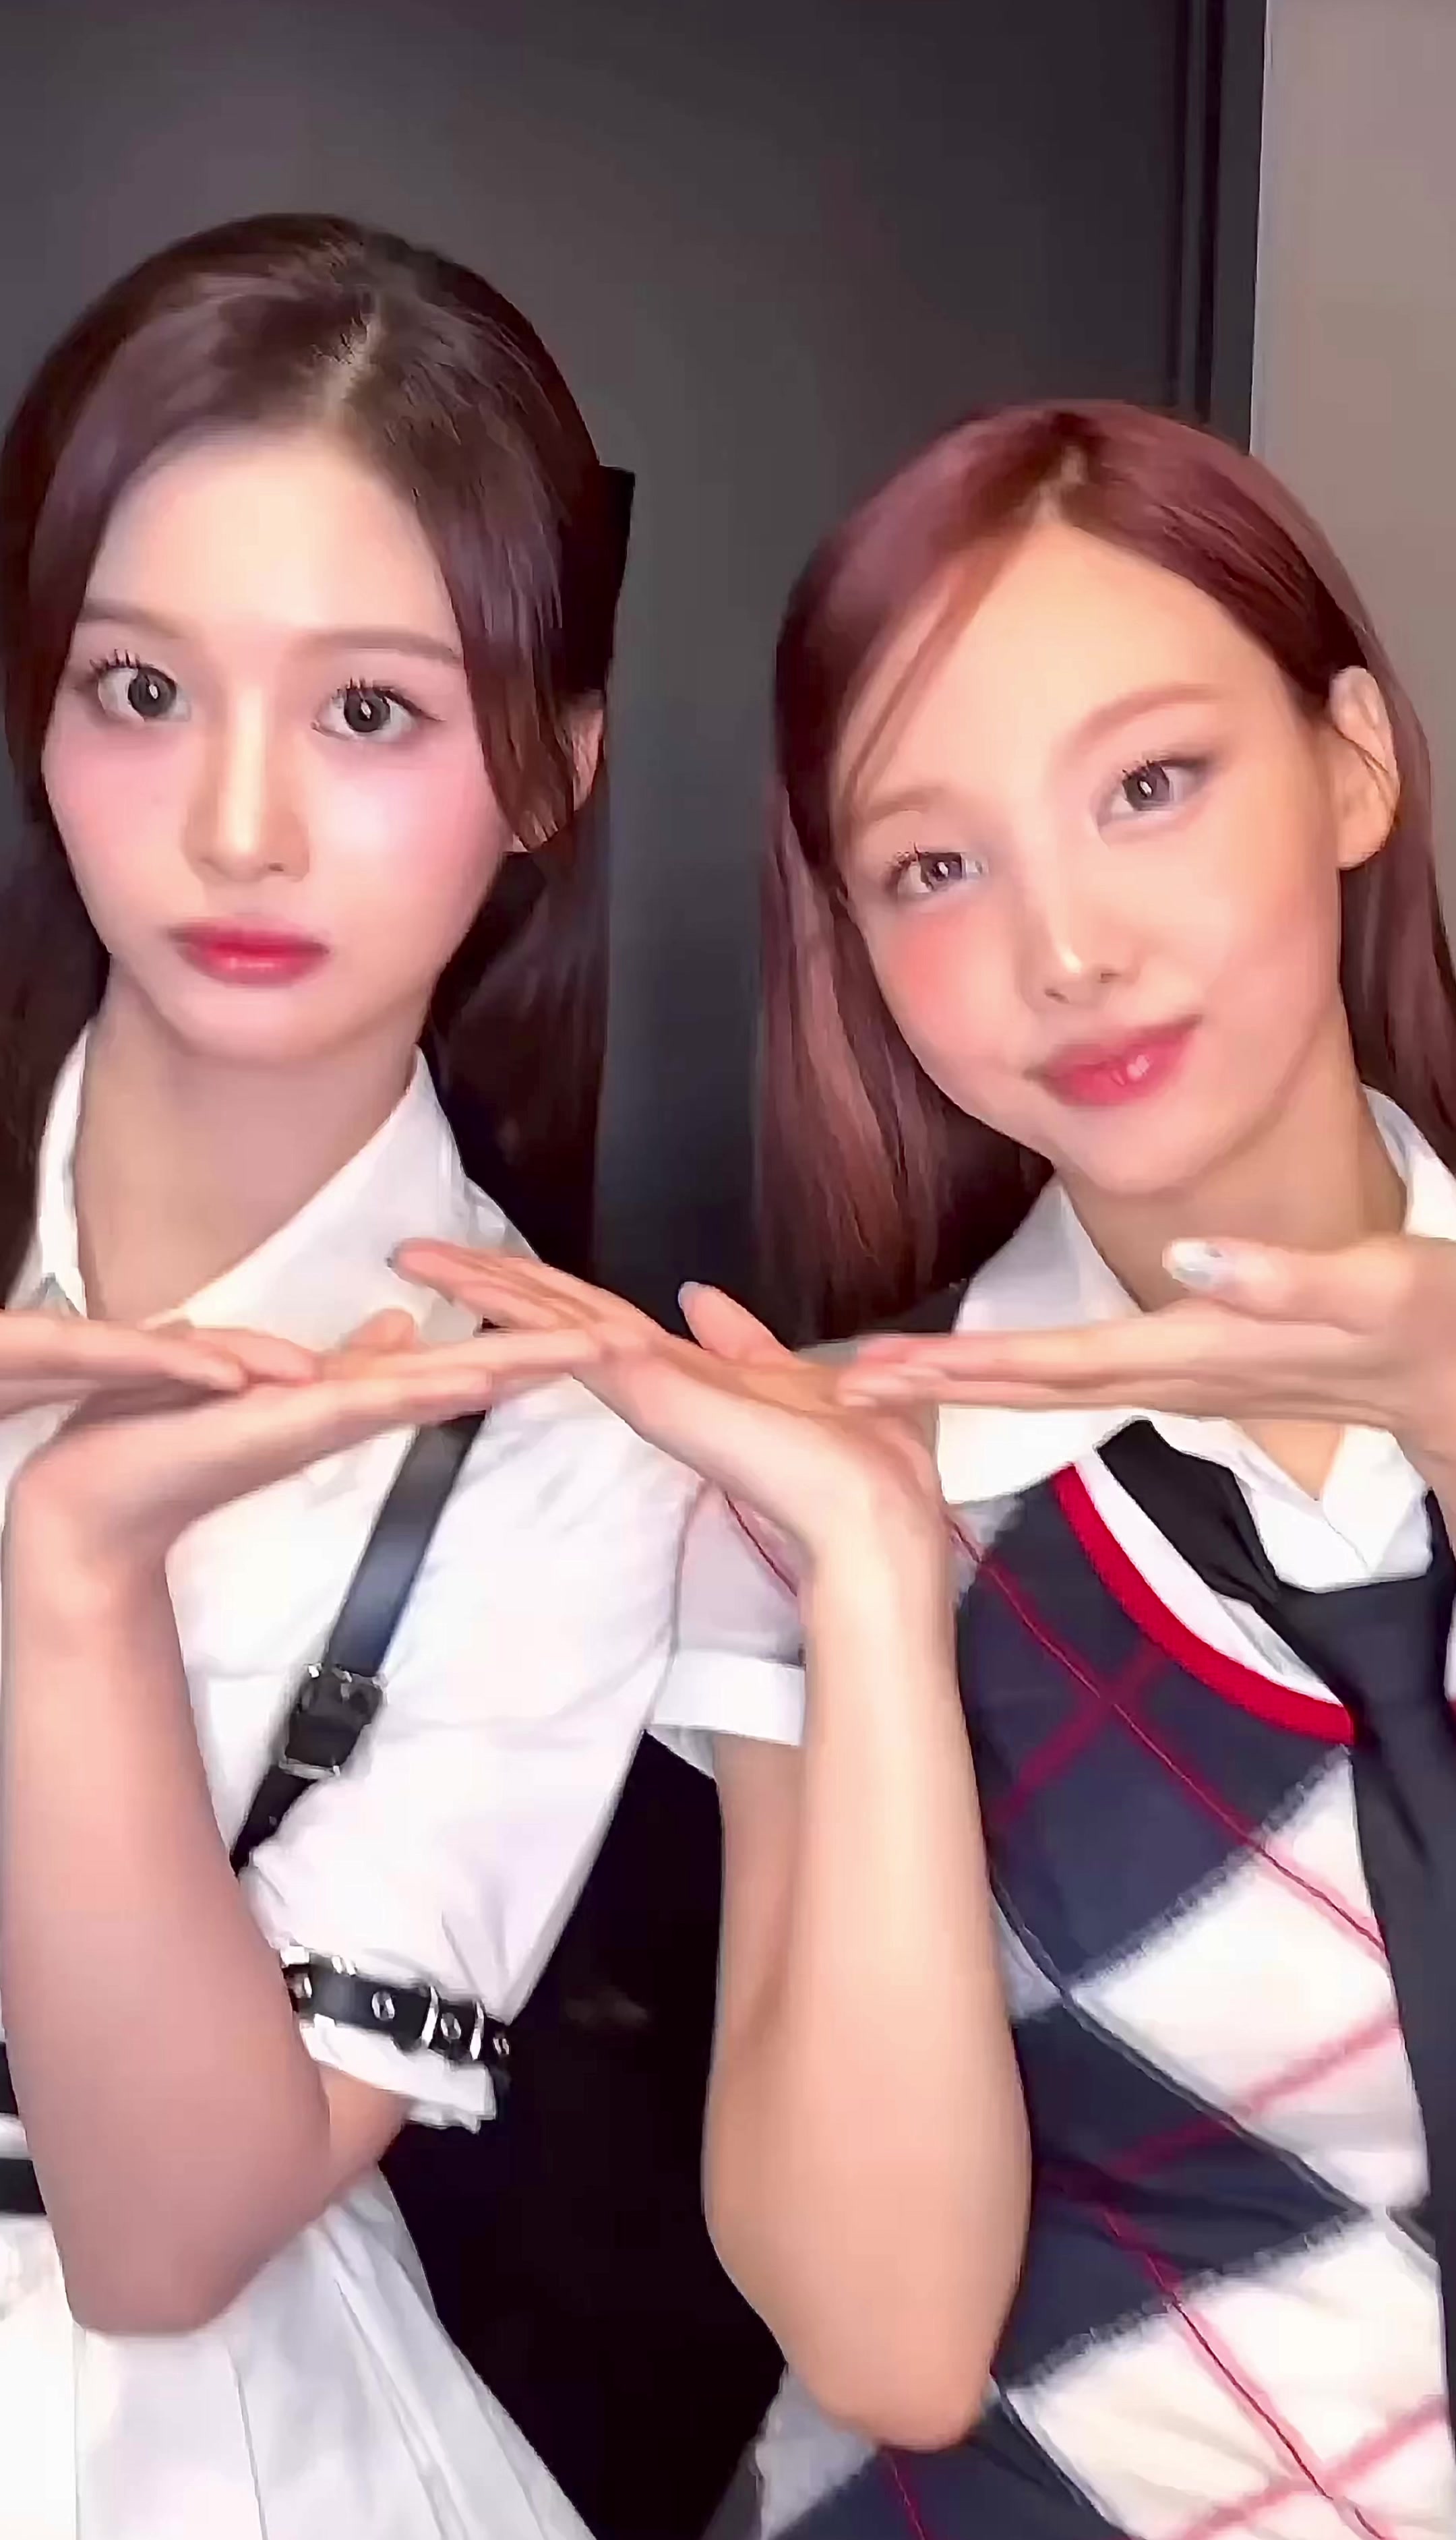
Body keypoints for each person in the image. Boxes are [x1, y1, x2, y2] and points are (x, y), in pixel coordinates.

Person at [400, 400, 1456, 2538]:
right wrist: (879, 1576)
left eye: (1151, 785)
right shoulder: (824, 1469)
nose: (1065, 948)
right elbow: (885, 2343)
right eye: (935, 868)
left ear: (1353, 762)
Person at [0, 210, 701, 2540]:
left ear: (553, 770)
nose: (236, 825)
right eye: (139, 688)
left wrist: (78, 1577)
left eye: (370, 710)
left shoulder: (561, 1442)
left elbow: (163, 2238)